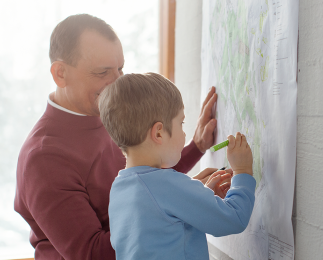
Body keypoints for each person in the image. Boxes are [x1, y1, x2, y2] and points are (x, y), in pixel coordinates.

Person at [14, 14, 222, 260]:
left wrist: (196, 147)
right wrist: (186, 202)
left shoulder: (106, 112)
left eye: (120, 68)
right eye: (102, 72)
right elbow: (93, 253)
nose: (117, 83)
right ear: (60, 73)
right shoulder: (44, 157)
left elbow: (145, 173)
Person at [98, 72, 256, 260]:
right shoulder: (165, 184)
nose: (184, 134)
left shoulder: (119, 189)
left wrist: (199, 196)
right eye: (181, 123)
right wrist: (242, 171)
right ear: (158, 133)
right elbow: (233, 219)